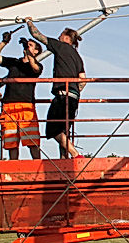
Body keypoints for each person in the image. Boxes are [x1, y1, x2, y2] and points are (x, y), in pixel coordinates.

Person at [23, 18, 85, 158]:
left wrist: (29, 22)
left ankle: (75, 155)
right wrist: (75, 91)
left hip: (63, 95)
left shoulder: (60, 46)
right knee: (63, 130)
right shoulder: (78, 56)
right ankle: (64, 159)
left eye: (61, 35)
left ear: (67, 38)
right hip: (73, 97)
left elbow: (37, 35)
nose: (58, 36)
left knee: (52, 129)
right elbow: (83, 79)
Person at [0, 32, 43, 160]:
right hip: (9, 107)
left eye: (30, 45)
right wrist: (4, 42)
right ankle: (13, 166)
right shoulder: (14, 62)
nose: (27, 47)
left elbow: (35, 68)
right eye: (27, 45)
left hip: (26, 107)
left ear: (36, 52)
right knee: (11, 141)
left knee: (32, 141)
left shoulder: (37, 66)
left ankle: (37, 165)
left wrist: (28, 54)